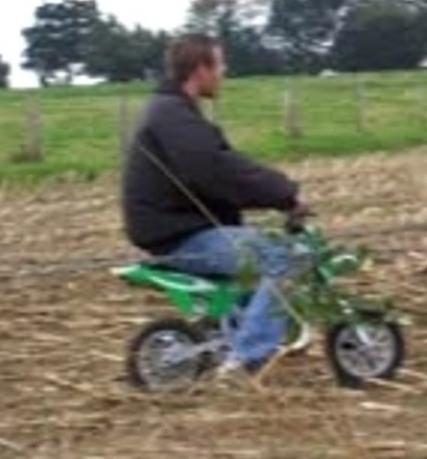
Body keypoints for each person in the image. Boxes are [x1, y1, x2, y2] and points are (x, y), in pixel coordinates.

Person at [121, 33, 308, 375]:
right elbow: (219, 171)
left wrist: (274, 196)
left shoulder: (171, 112)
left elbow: (222, 170)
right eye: (219, 64)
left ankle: (233, 331)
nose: (224, 71)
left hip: (178, 229)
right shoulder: (174, 117)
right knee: (290, 257)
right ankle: (248, 356)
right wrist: (285, 194)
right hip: (183, 237)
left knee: (262, 255)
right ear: (199, 69)